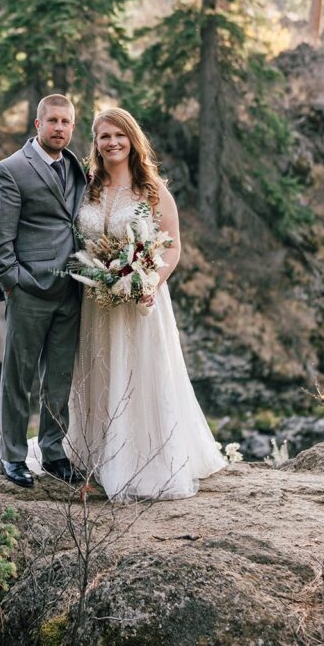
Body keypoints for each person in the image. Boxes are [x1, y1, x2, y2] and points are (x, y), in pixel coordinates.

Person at [64, 107, 226, 500]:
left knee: (139, 372)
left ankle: (144, 459)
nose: (112, 142)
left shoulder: (152, 190)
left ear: (132, 140)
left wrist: (148, 281)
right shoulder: (86, 186)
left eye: (119, 135)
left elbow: (172, 246)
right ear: (96, 143)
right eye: (104, 136)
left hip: (140, 300)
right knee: (99, 371)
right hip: (95, 302)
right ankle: (95, 457)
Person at [0, 94, 87, 488]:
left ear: (72, 127)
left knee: (59, 378)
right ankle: (11, 457)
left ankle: (54, 453)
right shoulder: (11, 170)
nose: (59, 128)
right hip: (28, 290)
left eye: (66, 122)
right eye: (53, 121)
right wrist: (14, 284)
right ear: (37, 124)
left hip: (72, 289)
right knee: (18, 377)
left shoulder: (76, 166)